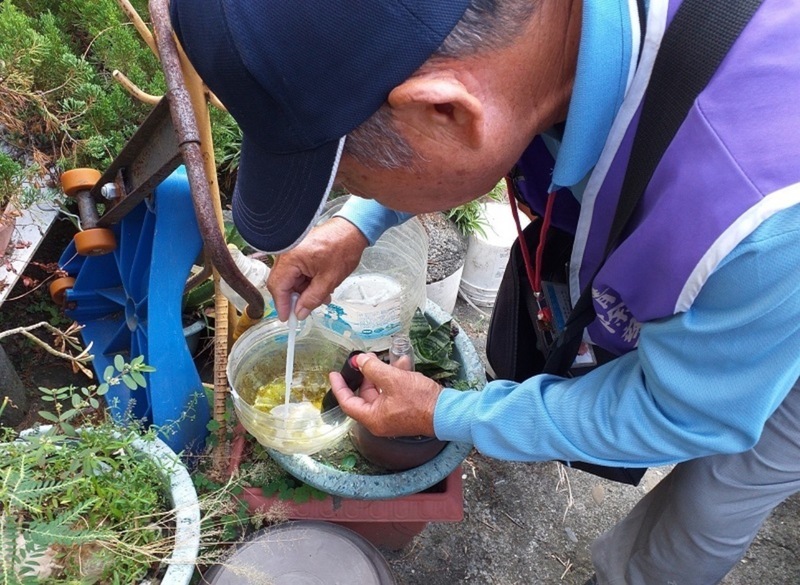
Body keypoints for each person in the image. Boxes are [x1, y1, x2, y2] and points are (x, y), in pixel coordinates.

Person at [171, 1, 800, 583]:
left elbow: (682, 412)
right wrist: (358, 222)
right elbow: (488, 116)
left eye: (353, 181)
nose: (361, 196)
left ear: (447, 113)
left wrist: (448, 413)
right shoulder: (540, 44)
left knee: (719, 491)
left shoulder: (757, 223)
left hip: (776, 314)